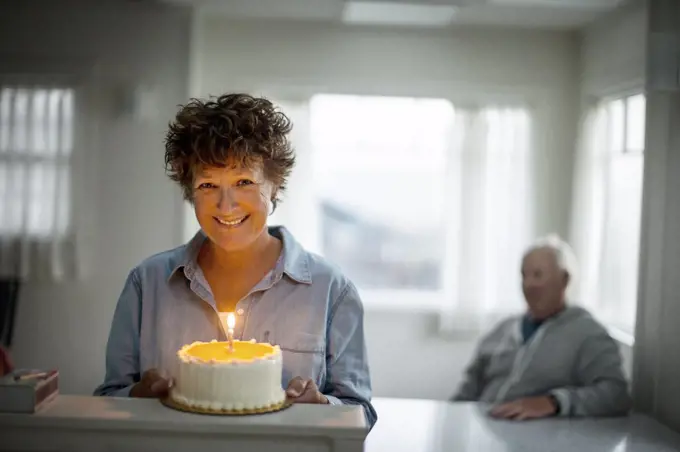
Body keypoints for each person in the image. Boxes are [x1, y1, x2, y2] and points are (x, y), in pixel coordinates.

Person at [94, 93, 377, 428]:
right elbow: (109, 398)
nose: (226, 206)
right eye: (208, 185)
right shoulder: (147, 283)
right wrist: (140, 396)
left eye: (244, 182)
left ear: (275, 184)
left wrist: (319, 404)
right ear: (190, 192)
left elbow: (360, 414)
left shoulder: (332, 290)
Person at [452, 235, 631, 420]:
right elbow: (467, 392)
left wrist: (554, 402)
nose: (528, 285)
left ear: (564, 280)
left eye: (537, 275)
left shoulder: (588, 334)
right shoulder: (502, 330)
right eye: (524, 275)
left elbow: (616, 395)